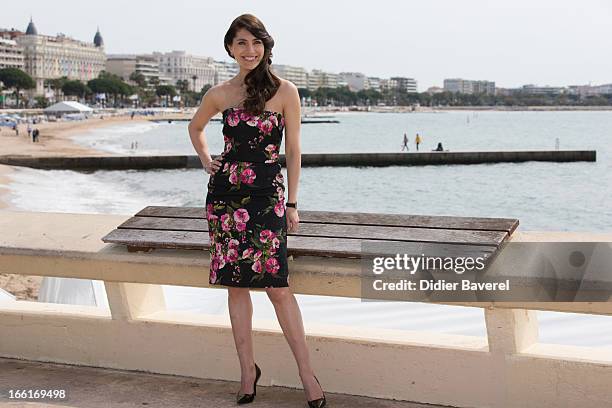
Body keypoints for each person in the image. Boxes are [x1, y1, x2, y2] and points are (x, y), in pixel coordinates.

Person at [188, 14, 325, 407]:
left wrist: (293, 203)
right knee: (236, 285)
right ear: (230, 48)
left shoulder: (285, 91)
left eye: (256, 43)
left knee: (278, 288)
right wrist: (205, 158)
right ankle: (248, 371)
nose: (249, 50)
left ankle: (307, 375)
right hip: (225, 197)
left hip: (267, 197)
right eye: (241, 43)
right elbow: (195, 128)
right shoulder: (219, 93)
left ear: (266, 47)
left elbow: (294, 151)